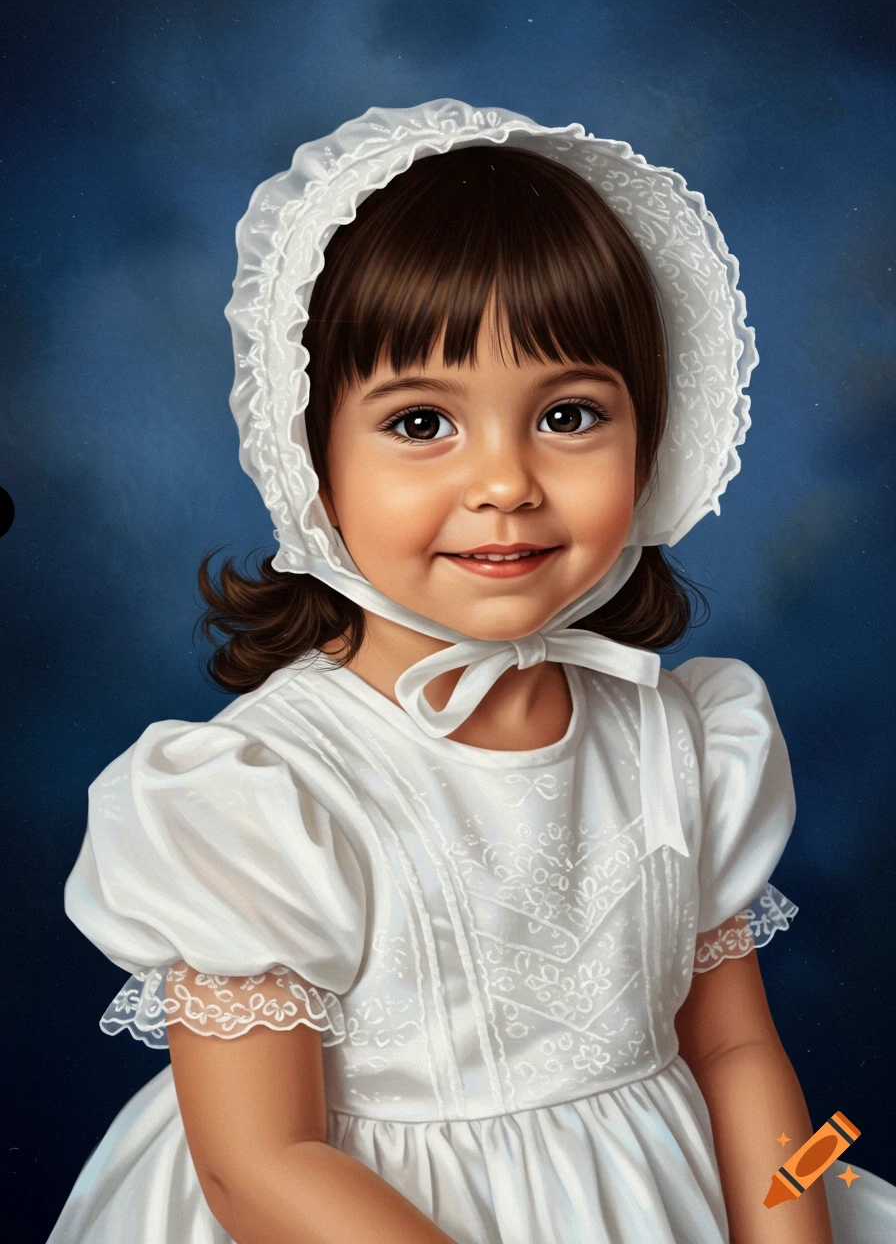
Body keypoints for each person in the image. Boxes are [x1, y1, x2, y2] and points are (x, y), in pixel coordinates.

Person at [48, 100, 896, 1244]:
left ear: (651, 436)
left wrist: (785, 1231)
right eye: (418, 423)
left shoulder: (686, 741)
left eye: (565, 413)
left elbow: (736, 1050)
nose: (503, 481)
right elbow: (261, 1160)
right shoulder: (264, 791)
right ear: (308, 457)